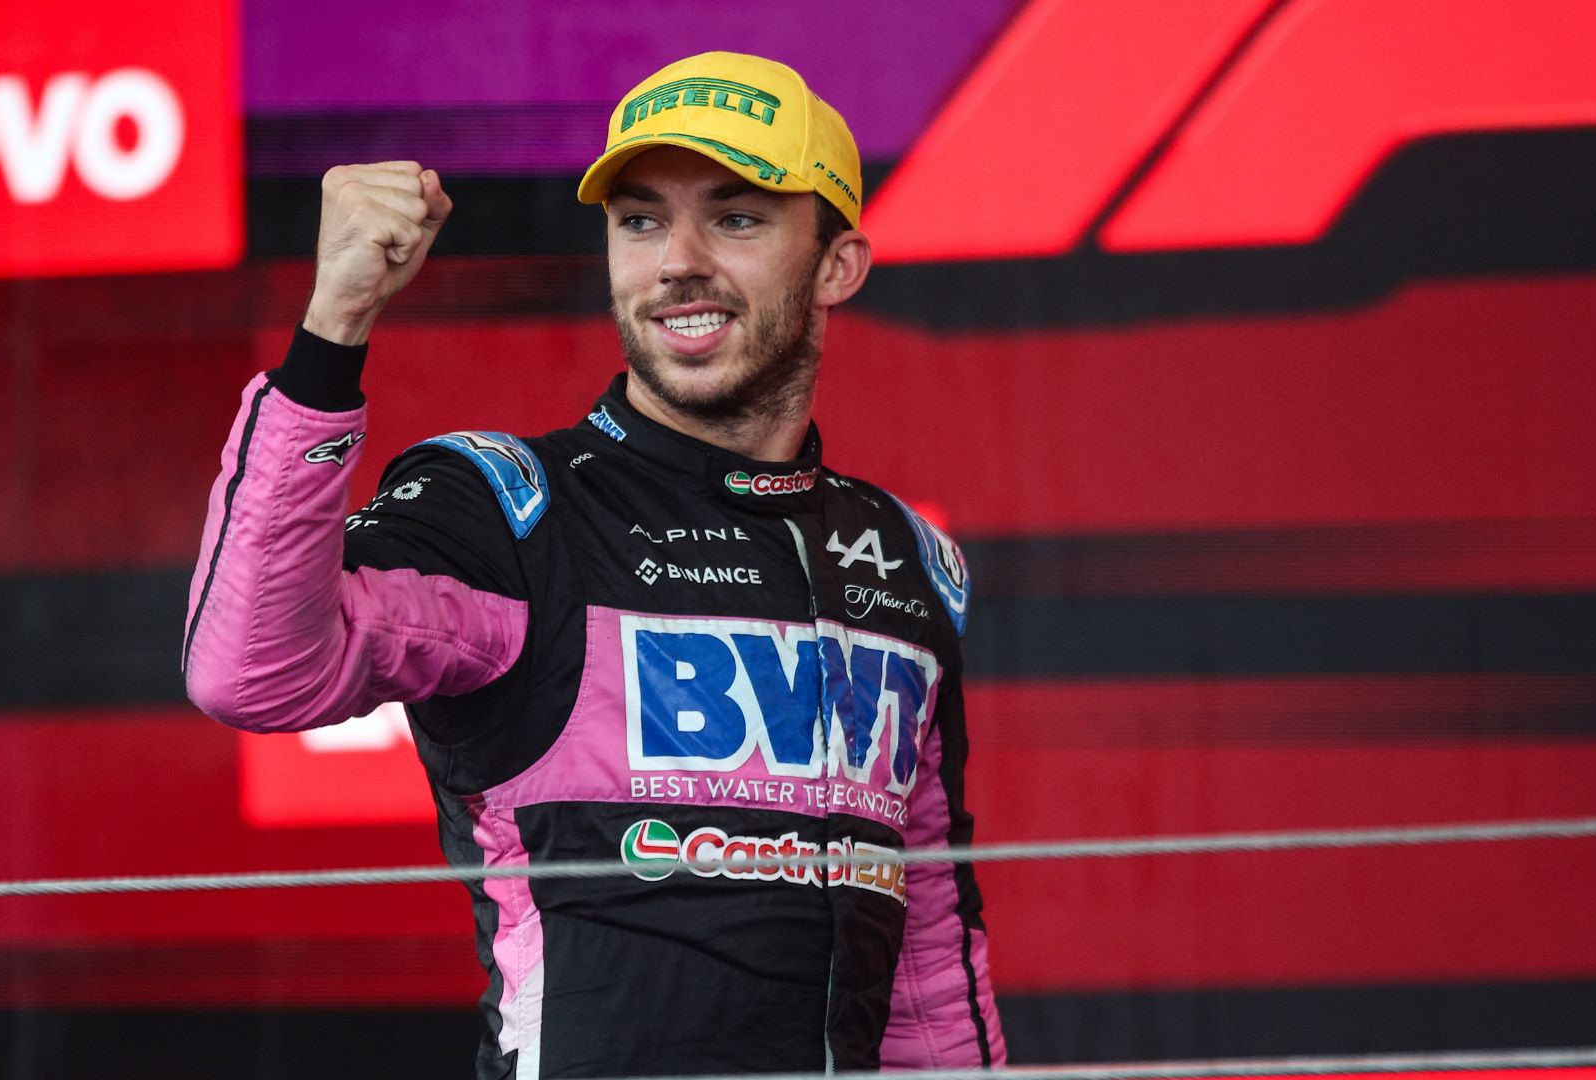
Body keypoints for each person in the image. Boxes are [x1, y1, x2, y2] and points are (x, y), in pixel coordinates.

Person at [185, 51, 1003, 1077]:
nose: (679, 262)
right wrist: (331, 332)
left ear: (837, 265)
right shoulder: (509, 508)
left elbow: (928, 952)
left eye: (738, 218)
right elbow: (251, 670)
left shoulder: (905, 559)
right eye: (642, 220)